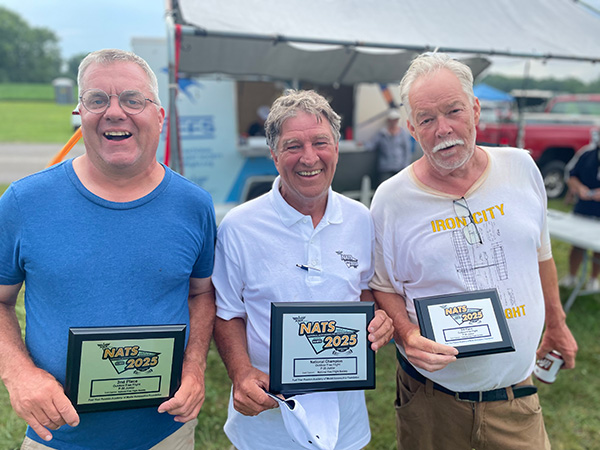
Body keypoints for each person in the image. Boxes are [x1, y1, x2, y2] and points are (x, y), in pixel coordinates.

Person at [0, 49, 216, 450]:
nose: (115, 112)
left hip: (165, 434)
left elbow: (201, 293)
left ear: (159, 116)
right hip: (58, 438)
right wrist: (18, 374)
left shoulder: (194, 205)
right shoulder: (23, 202)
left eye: (133, 100)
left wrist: (195, 364)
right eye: (97, 100)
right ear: (80, 115)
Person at [369, 53, 578, 450]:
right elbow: (383, 285)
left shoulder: (521, 168)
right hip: (433, 402)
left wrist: (556, 321)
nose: (443, 129)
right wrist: (408, 333)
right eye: (427, 119)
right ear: (412, 128)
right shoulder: (392, 200)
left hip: (516, 398)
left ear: (475, 109)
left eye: (453, 111)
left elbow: (541, 253)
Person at [212, 89, 393, 450]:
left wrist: (380, 319)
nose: (309, 157)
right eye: (293, 145)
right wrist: (241, 373)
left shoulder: (360, 219)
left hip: (346, 424)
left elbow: (363, 291)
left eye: (320, 143)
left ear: (337, 149)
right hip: (265, 426)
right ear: (274, 155)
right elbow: (227, 311)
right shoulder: (239, 226)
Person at [559, 132, 600, 291]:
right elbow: (571, 174)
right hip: (583, 210)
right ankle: (572, 277)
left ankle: (593, 280)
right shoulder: (587, 153)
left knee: (598, 248)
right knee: (577, 245)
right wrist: (579, 188)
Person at [366, 108, 413, 185]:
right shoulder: (382, 134)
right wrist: (362, 145)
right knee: (385, 187)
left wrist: (405, 167)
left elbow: (407, 150)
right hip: (385, 168)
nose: (394, 122)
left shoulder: (403, 134)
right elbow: (372, 145)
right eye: (392, 120)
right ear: (389, 120)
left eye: (396, 119)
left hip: (399, 167)